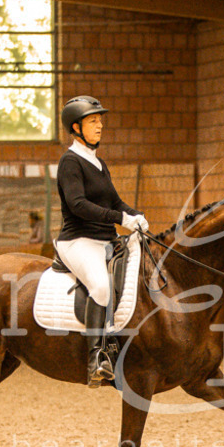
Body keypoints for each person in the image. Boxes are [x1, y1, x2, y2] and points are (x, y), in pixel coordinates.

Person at [54, 95, 149, 387]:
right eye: (93, 121)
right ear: (76, 127)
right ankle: (96, 357)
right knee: (100, 286)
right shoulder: (70, 162)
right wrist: (120, 219)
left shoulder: (98, 162)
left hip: (106, 239)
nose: (100, 126)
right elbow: (78, 205)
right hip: (79, 241)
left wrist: (135, 215)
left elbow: (115, 201)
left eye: (100, 121)